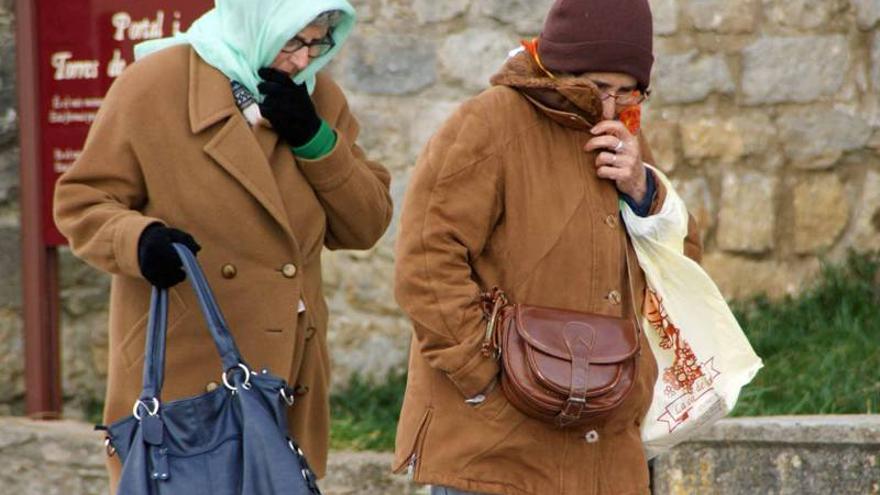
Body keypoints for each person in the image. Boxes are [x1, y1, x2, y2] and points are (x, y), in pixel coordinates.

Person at [53, 0, 392, 491]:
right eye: (294, 41)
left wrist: (315, 140)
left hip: (285, 375)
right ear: (256, 22)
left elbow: (366, 225)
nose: (304, 59)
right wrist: (140, 240)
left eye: (319, 41)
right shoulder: (156, 83)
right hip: (187, 377)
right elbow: (82, 202)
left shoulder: (318, 98)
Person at [392, 0, 702, 494]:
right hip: (494, 453)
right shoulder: (488, 122)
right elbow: (426, 260)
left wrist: (645, 192)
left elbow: (684, 275)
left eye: (628, 91)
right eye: (598, 87)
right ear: (561, 67)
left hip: (603, 453)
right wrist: (483, 377)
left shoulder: (624, 142)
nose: (610, 104)